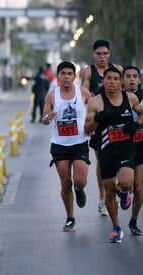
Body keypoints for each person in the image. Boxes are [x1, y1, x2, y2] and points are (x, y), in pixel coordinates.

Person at [85, 67, 143, 243]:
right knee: (109, 192)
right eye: (108, 78)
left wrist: (137, 125)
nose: (112, 82)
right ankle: (116, 227)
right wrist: (97, 120)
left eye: (116, 79)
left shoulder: (130, 98)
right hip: (106, 150)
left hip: (126, 148)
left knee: (127, 182)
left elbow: (140, 113)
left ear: (121, 82)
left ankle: (124, 190)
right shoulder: (95, 102)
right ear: (103, 81)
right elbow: (87, 129)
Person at [42, 61, 91, 232]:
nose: (66, 77)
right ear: (58, 76)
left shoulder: (83, 92)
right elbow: (44, 119)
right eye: (63, 74)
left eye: (69, 74)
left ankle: (80, 190)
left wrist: (92, 126)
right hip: (60, 145)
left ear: (74, 76)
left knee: (79, 181)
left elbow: (95, 111)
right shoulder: (51, 95)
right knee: (65, 183)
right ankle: (70, 218)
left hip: (80, 143)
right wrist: (48, 117)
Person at [81, 39, 123, 216]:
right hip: (99, 121)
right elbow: (83, 92)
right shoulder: (89, 71)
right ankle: (102, 198)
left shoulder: (118, 70)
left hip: (117, 120)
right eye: (99, 54)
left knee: (122, 155)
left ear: (109, 54)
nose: (102, 57)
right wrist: (88, 96)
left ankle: (121, 187)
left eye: (105, 53)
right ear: (93, 54)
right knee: (102, 160)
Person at [122, 66, 143, 235]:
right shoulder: (117, 98)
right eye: (128, 76)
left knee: (138, 188)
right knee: (125, 184)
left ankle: (133, 221)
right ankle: (121, 190)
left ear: (139, 80)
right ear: (123, 80)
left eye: (134, 76)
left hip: (141, 147)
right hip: (122, 148)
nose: (131, 79)